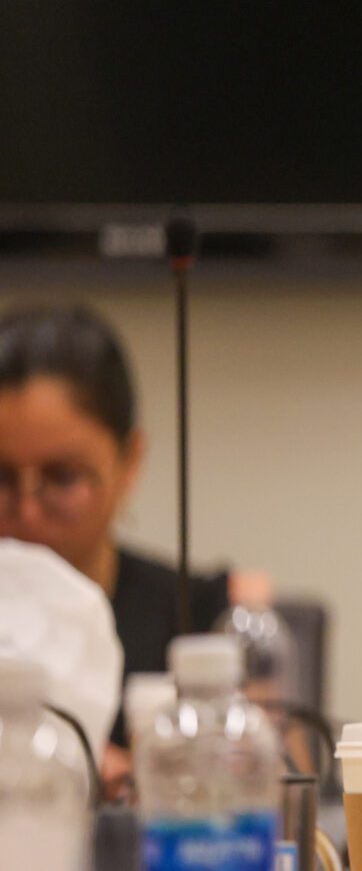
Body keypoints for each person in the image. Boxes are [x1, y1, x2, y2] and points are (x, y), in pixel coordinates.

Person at [0, 305, 232, 778]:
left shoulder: (197, 615)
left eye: (62, 477)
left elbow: (278, 800)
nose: (26, 511)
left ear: (130, 462)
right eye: (0, 477)